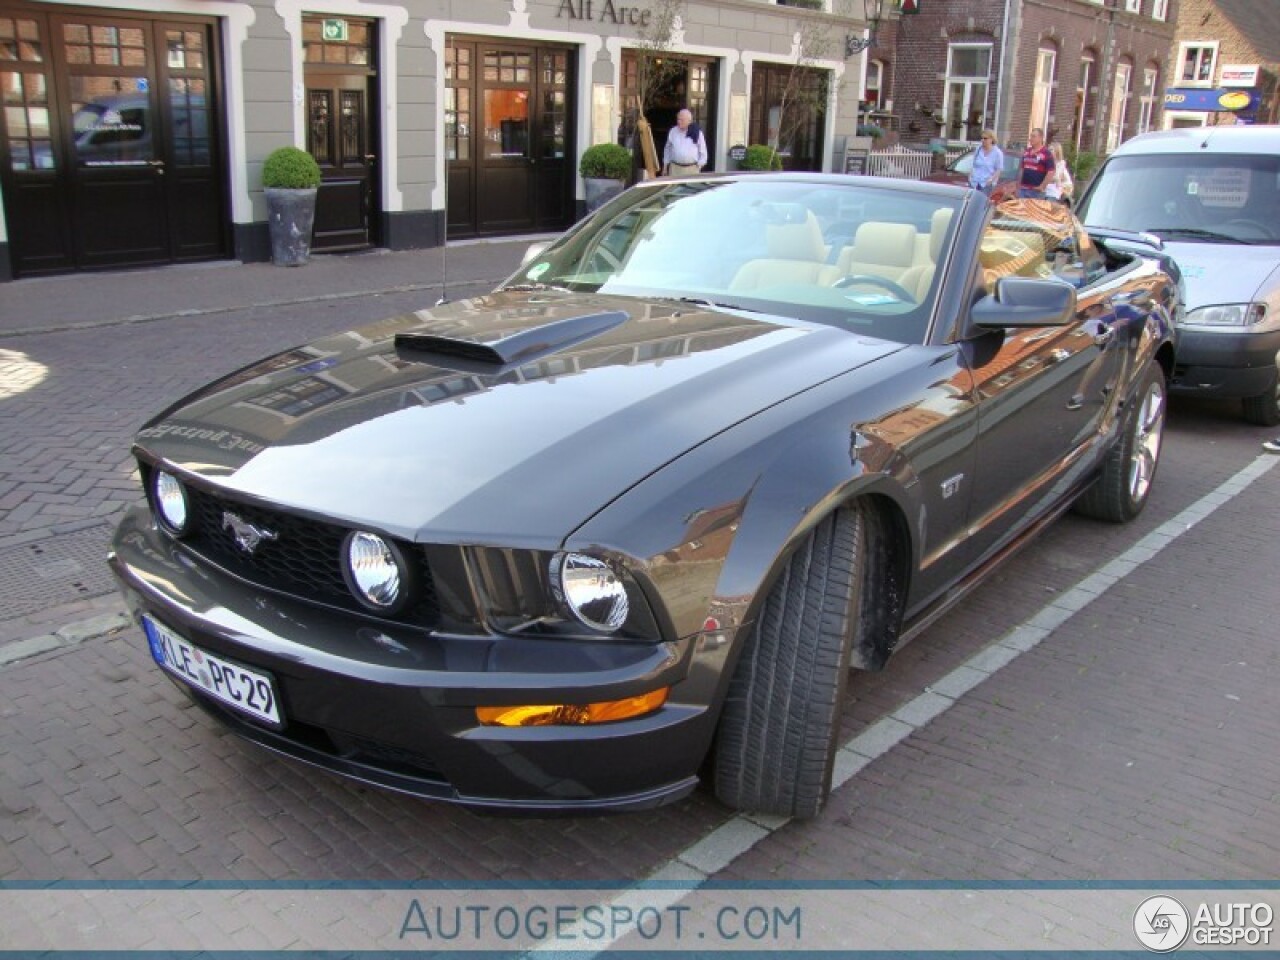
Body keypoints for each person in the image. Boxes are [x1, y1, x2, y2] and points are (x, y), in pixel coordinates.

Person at [663, 108, 708, 176]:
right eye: (678, 119)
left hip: (691, 169)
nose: (679, 121)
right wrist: (665, 167)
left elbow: (703, 152)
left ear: (689, 121)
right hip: (675, 169)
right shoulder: (673, 131)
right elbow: (667, 149)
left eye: (682, 120)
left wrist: (699, 166)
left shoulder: (697, 133)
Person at [1018, 127, 1055, 199]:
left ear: (1040, 138)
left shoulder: (1046, 153)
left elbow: (1051, 172)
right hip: (1023, 189)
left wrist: (1042, 186)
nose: (1031, 138)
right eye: (1031, 136)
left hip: (1036, 191)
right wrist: (1018, 184)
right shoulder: (1027, 151)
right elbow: (1022, 169)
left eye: (1033, 136)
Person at [969, 129, 1004, 196]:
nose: (983, 140)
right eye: (981, 138)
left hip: (986, 184)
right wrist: (970, 174)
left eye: (985, 138)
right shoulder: (978, 149)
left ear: (991, 139)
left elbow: (999, 169)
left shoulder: (997, 153)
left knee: (982, 203)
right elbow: (973, 164)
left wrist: (991, 179)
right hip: (974, 182)